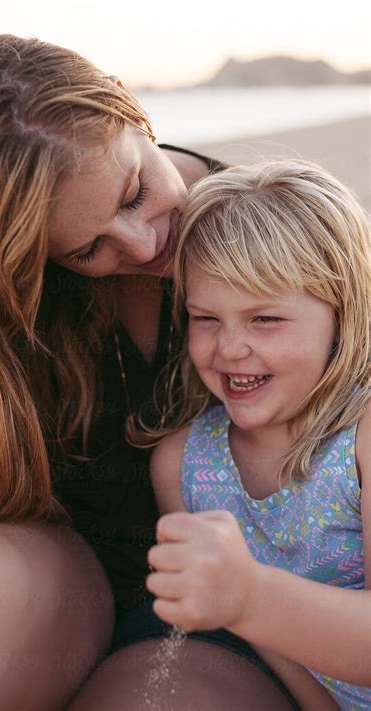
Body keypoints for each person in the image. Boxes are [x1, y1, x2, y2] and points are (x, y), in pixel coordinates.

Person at [0, 34, 300, 709]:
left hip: (235, 614)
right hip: (63, 589)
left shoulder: (282, 233)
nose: (143, 244)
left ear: (124, 100)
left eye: (136, 190)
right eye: (88, 248)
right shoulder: (17, 307)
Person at [147, 160, 370, 710]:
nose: (229, 349)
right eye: (206, 318)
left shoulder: (361, 438)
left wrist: (249, 596)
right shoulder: (182, 466)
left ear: (342, 314)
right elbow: (271, 648)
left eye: (264, 319)